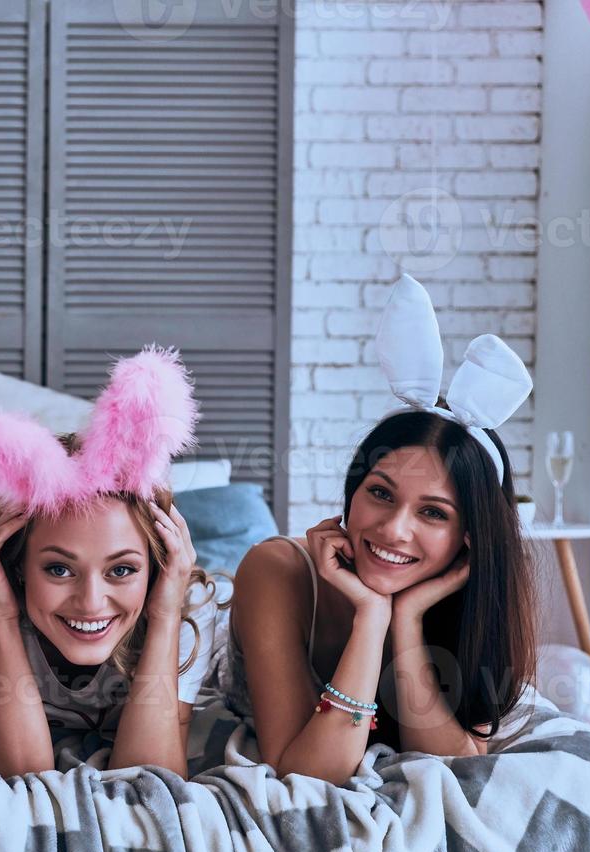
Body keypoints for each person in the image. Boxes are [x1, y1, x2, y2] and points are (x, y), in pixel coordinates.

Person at [209, 275, 538, 785]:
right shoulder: (275, 570)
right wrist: (370, 615)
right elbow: (307, 774)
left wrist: (404, 619)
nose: (393, 530)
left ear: (470, 536)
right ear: (352, 492)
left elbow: (456, 765)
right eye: (380, 493)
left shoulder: (475, 600)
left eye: (433, 513)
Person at [0, 348, 225, 777]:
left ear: (158, 568)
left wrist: (164, 615)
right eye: (59, 569)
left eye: (122, 569)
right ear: (17, 569)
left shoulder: (183, 607)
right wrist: (0, 614)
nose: (91, 603)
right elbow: (20, 775)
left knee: (4, 527)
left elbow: (151, 778)